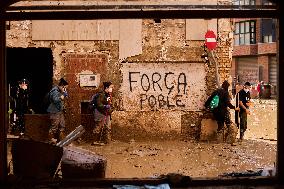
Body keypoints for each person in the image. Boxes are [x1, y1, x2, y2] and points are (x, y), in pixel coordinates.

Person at [47, 78, 68, 144]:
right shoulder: (55, 91)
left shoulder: (59, 91)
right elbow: (55, 100)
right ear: (62, 86)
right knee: (54, 127)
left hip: (59, 111)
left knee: (62, 125)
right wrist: (63, 95)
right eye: (65, 88)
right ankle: (51, 140)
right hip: (54, 111)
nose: (65, 89)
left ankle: (62, 140)